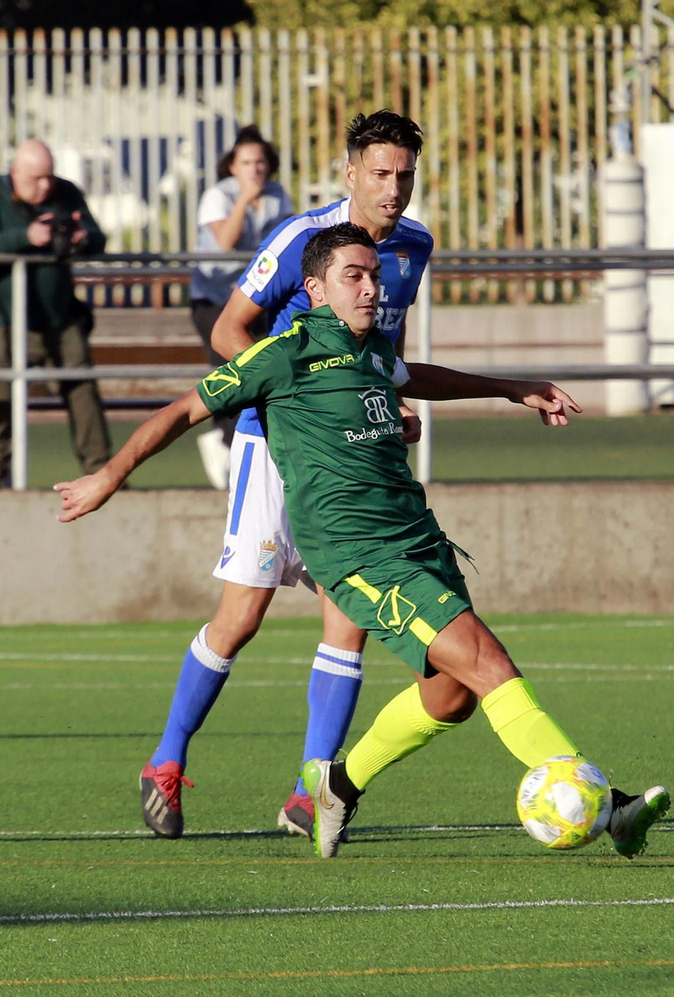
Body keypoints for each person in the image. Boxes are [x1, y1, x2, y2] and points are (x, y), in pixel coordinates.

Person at [57, 225, 670, 860]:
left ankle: (337, 788)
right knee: (489, 662)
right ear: (316, 287)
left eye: (374, 275)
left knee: (452, 696)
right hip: (355, 553)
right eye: (355, 275)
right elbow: (183, 411)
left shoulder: (373, 349)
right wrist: (110, 475)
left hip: (416, 536)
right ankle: (607, 803)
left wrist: (511, 388)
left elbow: (415, 375)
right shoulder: (282, 352)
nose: (372, 288)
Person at [136, 110, 430, 842]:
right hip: (275, 445)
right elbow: (229, 331)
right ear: (351, 171)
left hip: (355, 453)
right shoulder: (302, 236)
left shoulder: (415, 247)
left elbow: (377, 346)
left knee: (351, 616)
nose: (394, 189)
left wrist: (385, 402)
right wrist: (303, 404)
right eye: (381, 173)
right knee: (241, 617)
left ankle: (314, 790)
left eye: (406, 174)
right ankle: (165, 761)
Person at [0, 139, 109, 490]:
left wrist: (79, 238)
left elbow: (97, 238)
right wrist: (26, 236)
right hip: (5, 321)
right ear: (15, 173)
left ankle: (101, 469)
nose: (45, 186)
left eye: (49, 177)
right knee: (0, 393)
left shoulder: (66, 193)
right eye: (35, 179)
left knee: (82, 392)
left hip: (61, 317)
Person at [189, 126, 294, 489]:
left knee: (262, 371)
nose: (255, 170)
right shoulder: (218, 196)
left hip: (253, 301)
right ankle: (223, 442)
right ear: (232, 166)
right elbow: (225, 243)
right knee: (230, 370)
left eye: (261, 162)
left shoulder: (279, 196)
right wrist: (244, 201)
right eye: (246, 162)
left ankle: (246, 446)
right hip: (215, 300)